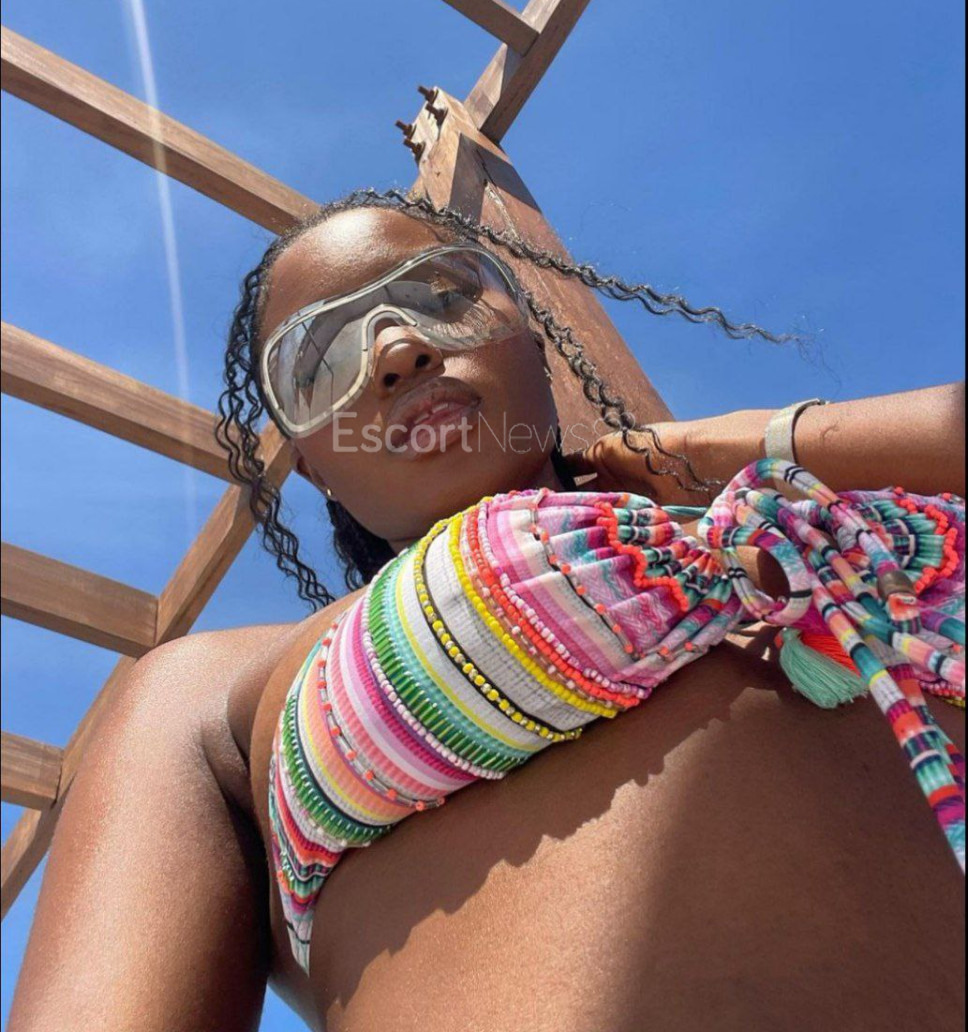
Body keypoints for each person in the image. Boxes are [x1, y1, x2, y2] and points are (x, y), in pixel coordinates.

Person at [8, 189, 965, 1032]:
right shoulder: (209, 694)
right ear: (313, 466)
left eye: (440, 295)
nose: (398, 350)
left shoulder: (787, 514)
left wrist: (729, 444)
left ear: (533, 340)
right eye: (319, 361)